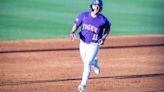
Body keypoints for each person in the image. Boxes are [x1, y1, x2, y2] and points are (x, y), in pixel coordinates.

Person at [70, 0, 111, 91]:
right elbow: (76, 24)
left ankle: (83, 85)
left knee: (87, 63)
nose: (96, 7)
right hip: (83, 43)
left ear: (100, 8)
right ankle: (95, 62)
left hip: (94, 44)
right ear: (92, 6)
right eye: (95, 5)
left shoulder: (103, 20)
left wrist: (103, 38)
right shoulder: (84, 15)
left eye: (98, 6)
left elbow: (108, 29)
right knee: (85, 60)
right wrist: (72, 32)